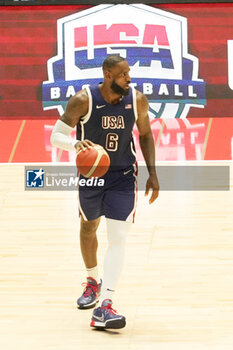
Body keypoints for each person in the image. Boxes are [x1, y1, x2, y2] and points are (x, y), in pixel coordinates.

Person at [50, 55, 159, 330]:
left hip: (123, 176)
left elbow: (145, 134)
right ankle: (91, 281)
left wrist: (153, 173)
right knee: (89, 226)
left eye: (129, 74)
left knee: (118, 236)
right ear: (108, 74)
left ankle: (106, 304)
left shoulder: (137, 100)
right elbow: (56, 136)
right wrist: (74, 145)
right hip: (91, 175)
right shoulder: (83, 100)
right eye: (123, 75)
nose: (129, 79)